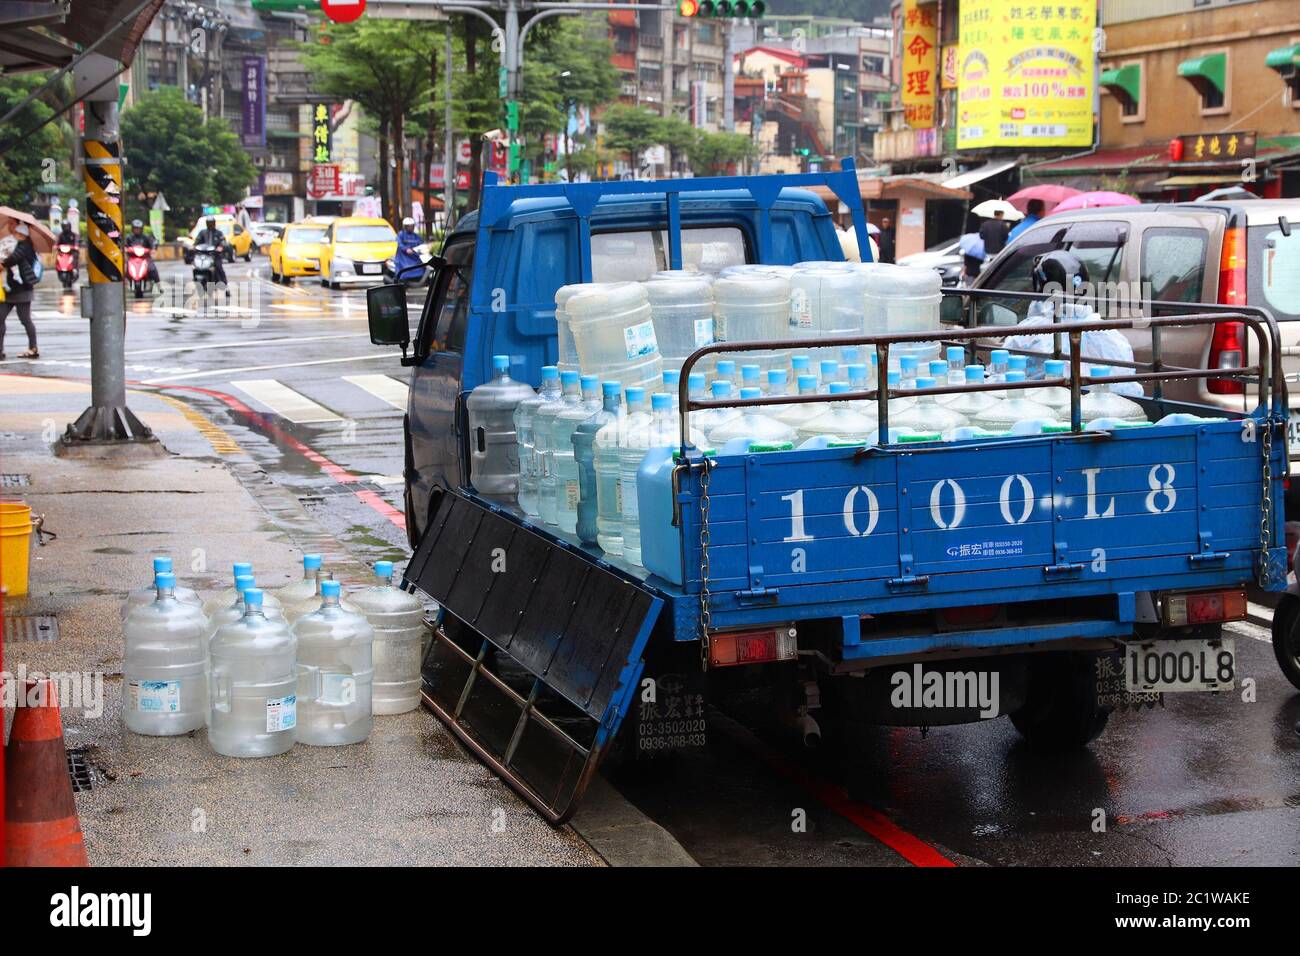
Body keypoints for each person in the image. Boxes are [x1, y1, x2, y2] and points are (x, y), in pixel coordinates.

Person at [0, 223, 40, 359]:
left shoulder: (25, 247)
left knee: (25, 319)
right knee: (0, 317)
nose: (15, 235)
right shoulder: (16, 244)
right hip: (10, 289)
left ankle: (33, 348)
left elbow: (14, 258)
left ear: (23, 235)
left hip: (23, 289)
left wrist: (2, 263)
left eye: (17, 233)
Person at [194, 216, 229, 293]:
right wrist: (193, 247)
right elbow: (197, 242)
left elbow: (223, 242)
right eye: (208, 223)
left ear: (214, 223)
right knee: (196, 266)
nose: (210, 225)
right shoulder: (202, 233)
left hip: (215, 256)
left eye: (211, 223)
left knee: (219, 268)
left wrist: (221, 247)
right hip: (204, 256)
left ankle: (226, 287)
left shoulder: (219, 233)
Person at [126, 219, 160, 283]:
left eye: (138, 228)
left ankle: (158, 285)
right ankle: (125, 283)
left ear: (141, 229)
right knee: (125, 269)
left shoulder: (146, 237)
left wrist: (153, 249)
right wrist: (125, 248)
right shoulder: (129, 237)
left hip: (145, 258)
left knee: (152, 269)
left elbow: (153, 242)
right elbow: (124, 244)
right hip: (132, 258)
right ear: (132, 229)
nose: (137, 230)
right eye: (135, 228)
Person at [393, 216, 424, 282]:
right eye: (409, 226)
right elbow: (399, 244)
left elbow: (420, 244)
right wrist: (406, 249)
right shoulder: (401, 234)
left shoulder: (416, 236)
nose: (411, 227)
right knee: (404, 269)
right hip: (404, 257)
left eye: (412, 226)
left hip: (414, 256)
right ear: (405, 227)